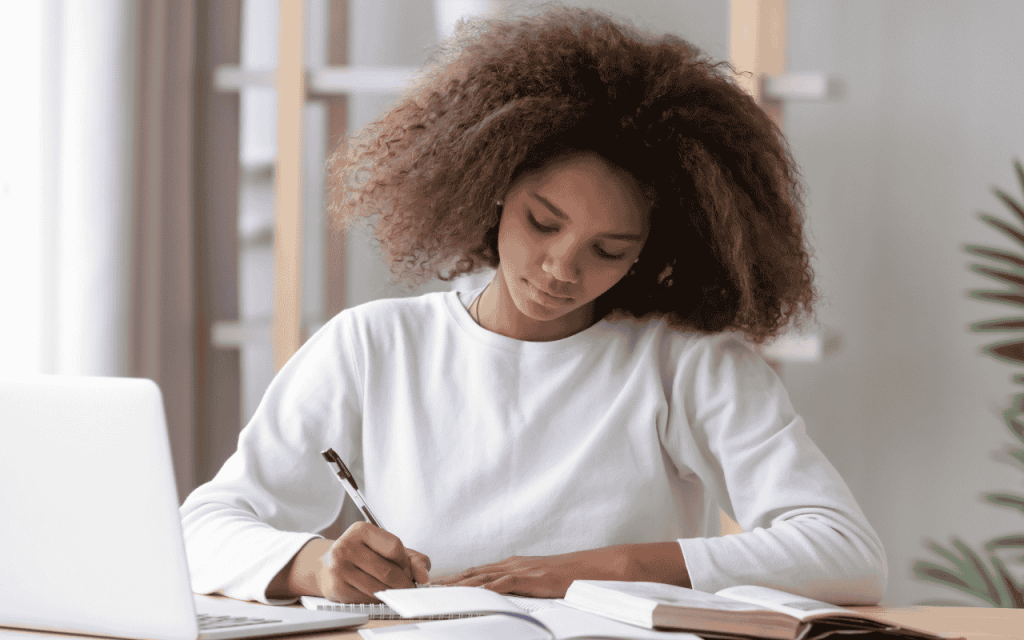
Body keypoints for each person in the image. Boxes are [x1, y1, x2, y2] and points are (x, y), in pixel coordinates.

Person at [180, 6, 887, 607]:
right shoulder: (374, 345)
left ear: (654, 250)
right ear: (491, 187)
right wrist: (320, 566)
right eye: (542, 223)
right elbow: (200, 529)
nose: (561, 269)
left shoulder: (686, 363)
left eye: (609, 250)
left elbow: (847, 552)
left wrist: (608, 570)